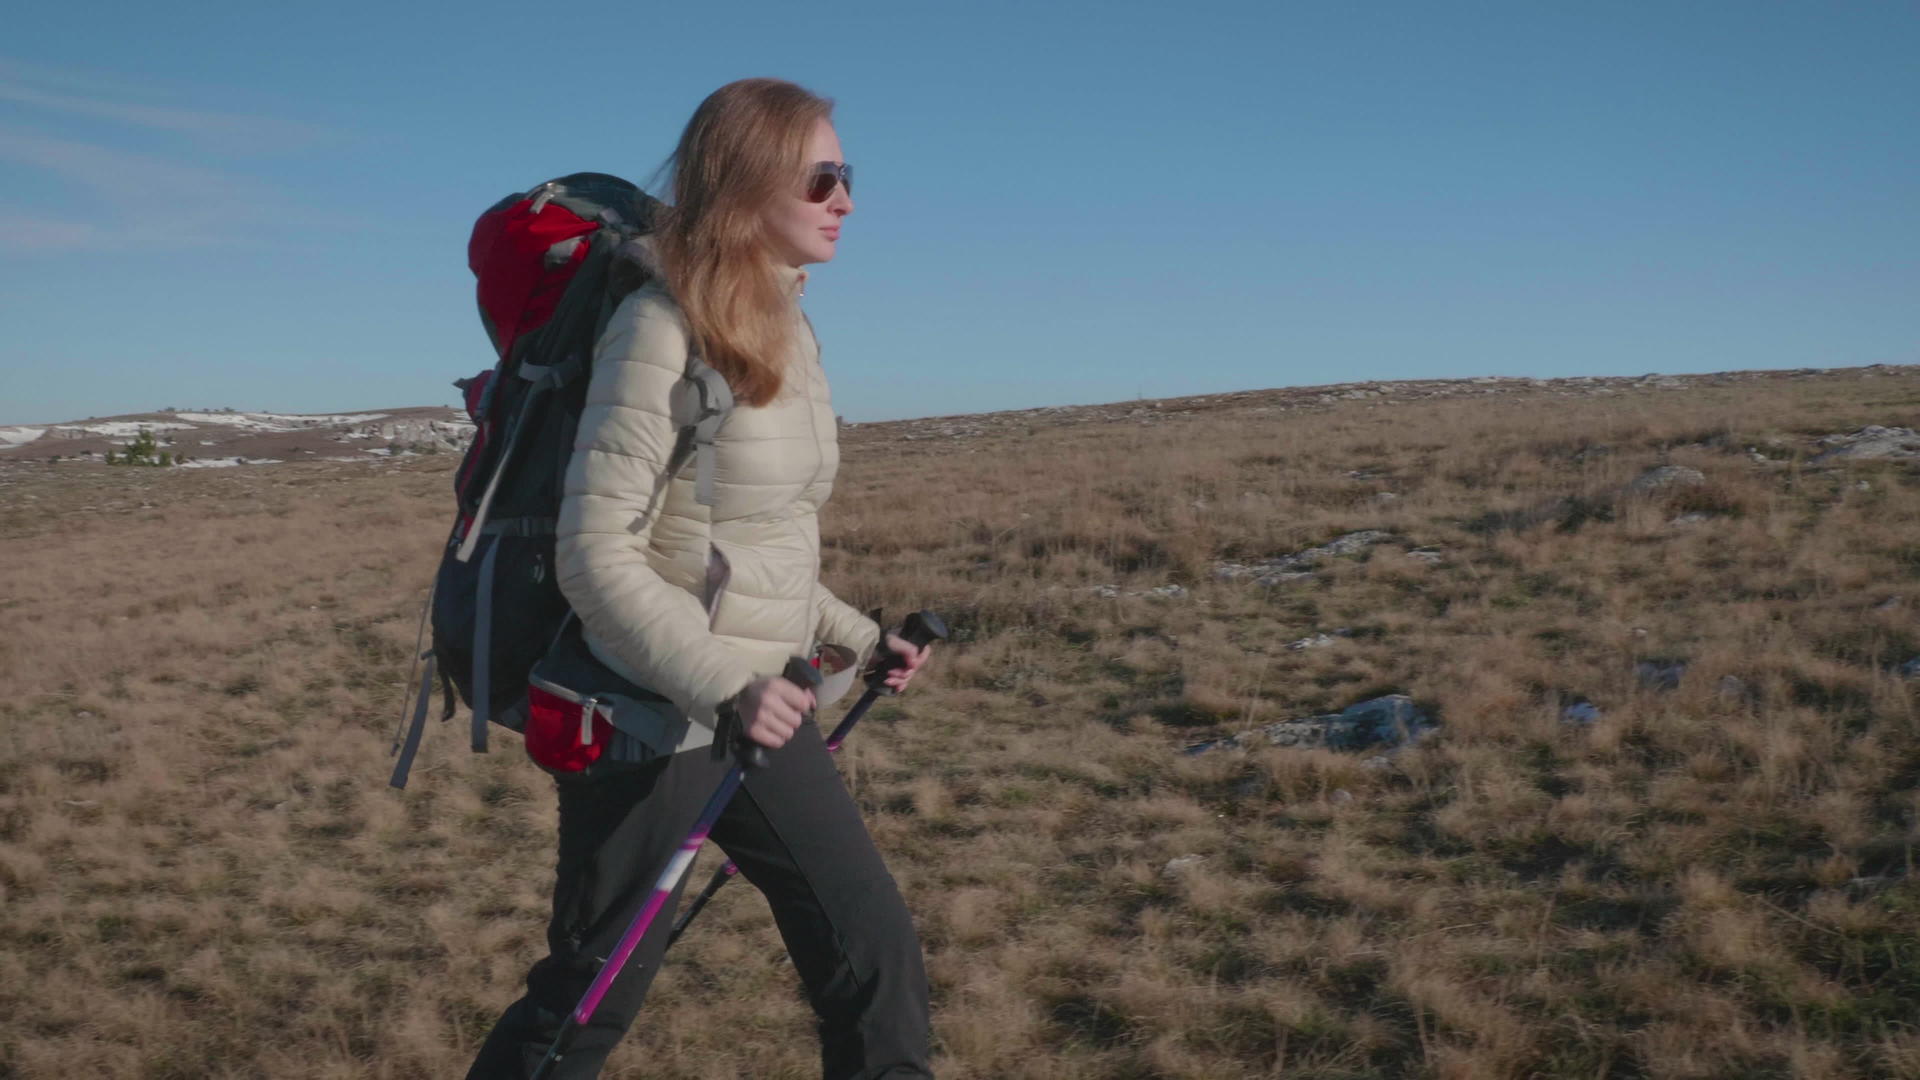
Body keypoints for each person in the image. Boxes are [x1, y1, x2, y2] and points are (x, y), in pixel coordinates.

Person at [465, 78, 935, 1080]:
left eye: (849, 176)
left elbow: (745, 547)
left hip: (758, 707)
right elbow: (598, 557)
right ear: (747, 181)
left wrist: (856, 637)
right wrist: (729, 686)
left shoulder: (787, 330)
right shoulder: (657, 326)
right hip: (647, 718)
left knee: (874, 953)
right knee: (588, 1005)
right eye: (824, 176)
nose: (846, 198)